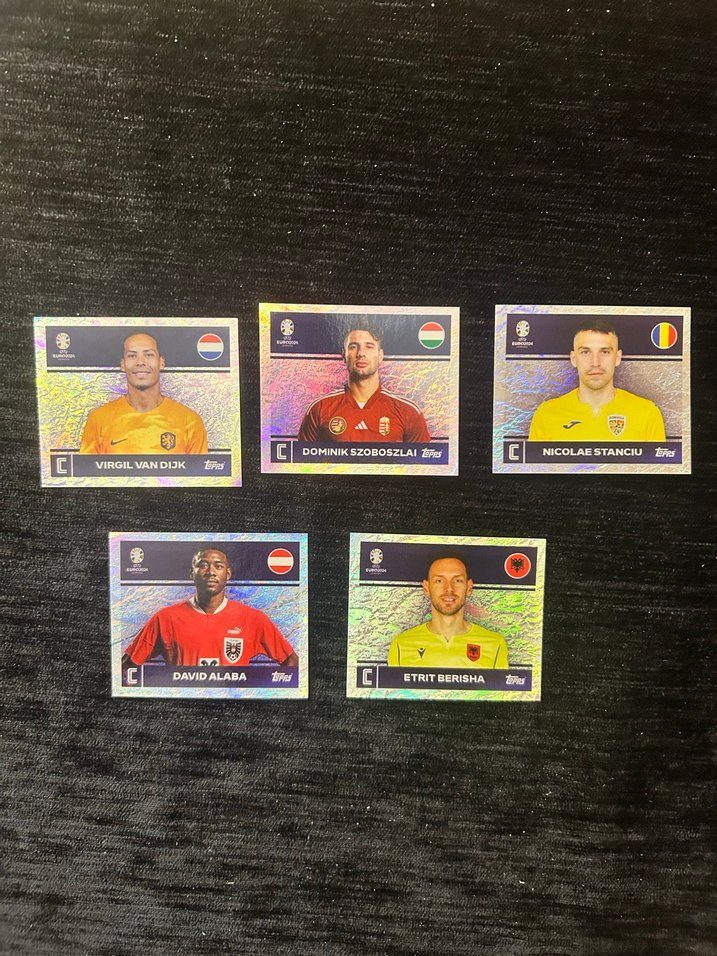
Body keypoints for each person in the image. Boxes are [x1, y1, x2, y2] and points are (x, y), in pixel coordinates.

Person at [122, 548, 298, 668]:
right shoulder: (165, 618)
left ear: (227, 574)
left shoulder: (253, 619)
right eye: (203, 565)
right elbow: (125, 667)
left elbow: (291, 661)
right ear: (192, 574)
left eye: (218, 566)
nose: (211, 572)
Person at [529, 319, 666, 441]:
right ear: (574, 358)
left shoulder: (647, 413)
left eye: (605, 352)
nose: (595, 363)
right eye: (585, 352)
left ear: (617, 357)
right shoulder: (546, 414)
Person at [297, 323, 430, 443]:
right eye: (353, 347)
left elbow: (422, 461)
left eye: (369, 347)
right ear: (344, 355)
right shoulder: (320, 408)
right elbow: (302, 460)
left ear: (380, 355)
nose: (361, 353)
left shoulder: (408, 411)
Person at [80, 332, 208, 454]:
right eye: (132, 356)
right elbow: (86, 469)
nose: (140, 362)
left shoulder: (189, 421)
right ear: (123, 364)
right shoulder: (99, 419)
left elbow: (199, 470)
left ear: (161, 362)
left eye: (148, 355)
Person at [388, 556, 509, 668]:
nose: (449, 589)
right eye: (439, 581)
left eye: (457, 580)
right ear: (426, 588)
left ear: (469, 587)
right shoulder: (401, 645)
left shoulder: (495, 645)